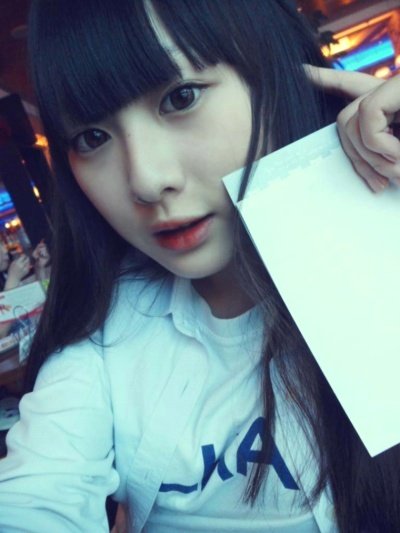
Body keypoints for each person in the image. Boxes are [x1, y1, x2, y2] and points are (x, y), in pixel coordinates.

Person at [0, 1, 399, 532]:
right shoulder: (106, 332)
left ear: (277, 74)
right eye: (92, 138)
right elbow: (36, 498)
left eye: (181, 97)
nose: (146, 180)